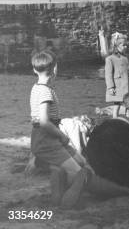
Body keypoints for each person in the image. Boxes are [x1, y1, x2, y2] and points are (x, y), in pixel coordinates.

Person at [29, 50, 89, 208]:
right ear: (55, 68)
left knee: (81, 162)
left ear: (35, 70)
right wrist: (62, 136)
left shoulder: (37, 87)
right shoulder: (45, 91)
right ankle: (66, 204)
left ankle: (59, 193)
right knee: (79, 173)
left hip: (48, 137)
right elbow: (43, 121)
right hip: (47, 138)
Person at [105, 33, 129, 118]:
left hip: (128, 85)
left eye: (126, 45)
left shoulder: (126, 58)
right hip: (118, 86)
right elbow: (108, 74)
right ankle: (115, 119)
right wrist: (111, 87)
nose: (125, 47)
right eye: (123, 45)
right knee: (117, 104)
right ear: (117, 45)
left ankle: (128, 119)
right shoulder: (110, 59)